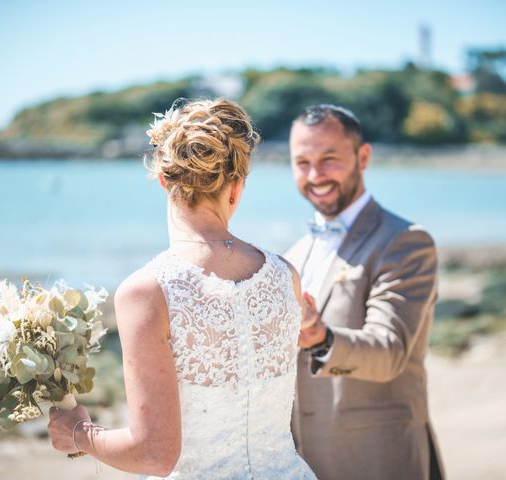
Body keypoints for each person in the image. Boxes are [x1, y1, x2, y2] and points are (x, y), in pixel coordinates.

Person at [48, 98, 317, 479]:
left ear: (163, 179)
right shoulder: (285, 275)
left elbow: (154, 455)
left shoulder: (147, 292)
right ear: (236, 187)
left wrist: (77, 433)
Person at [285, 104, 445, 480]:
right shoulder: (292, 255)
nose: (314, 175)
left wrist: (321, 338)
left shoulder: (406, 242)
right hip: (301, 465)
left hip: (380, 460)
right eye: (302, 162)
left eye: (328, 159)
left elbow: (389, 350)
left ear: (363, 156)